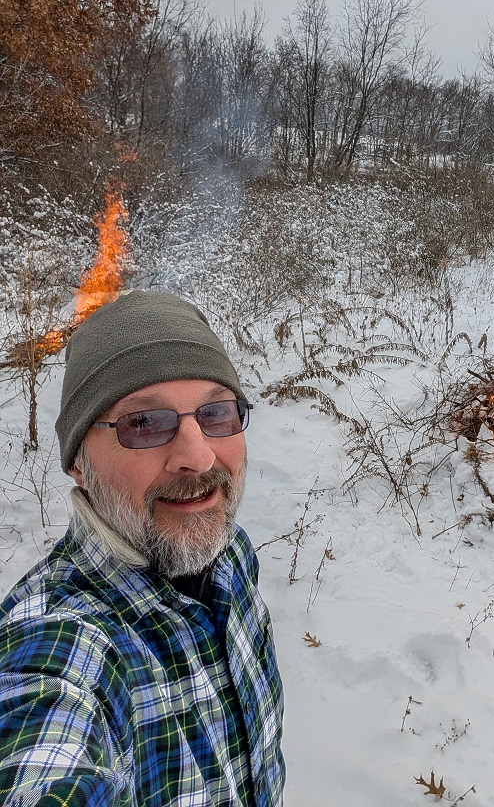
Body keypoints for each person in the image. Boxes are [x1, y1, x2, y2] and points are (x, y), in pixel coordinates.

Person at [0, 290, 285, 806]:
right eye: (144, 423)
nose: (197, 457)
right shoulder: (64, 641)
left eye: (216, 413)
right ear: (79, 464)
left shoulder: (230, 555)